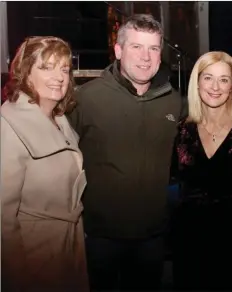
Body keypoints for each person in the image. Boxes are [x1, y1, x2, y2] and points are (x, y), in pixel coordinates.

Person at [68, 14, 184, 291]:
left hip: (153, 237)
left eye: (154, 48)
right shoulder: (85, 98)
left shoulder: (174, 102)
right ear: (118, 51)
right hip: (98, 236)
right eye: (136, 47)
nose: (146, 57)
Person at [169, 51, 232, 290]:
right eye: (208, 78)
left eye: (224, 79)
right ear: (197, 82)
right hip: (188, 247)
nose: (215, 87)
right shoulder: (182, 131)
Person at [1, 36, 89, 291]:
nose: (59, 76)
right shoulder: (8, 125)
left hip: (67, 249)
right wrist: (17, 276)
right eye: (46, 67)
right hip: (34, 257)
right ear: (25, 72)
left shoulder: (59, 119)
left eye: (64, 69)